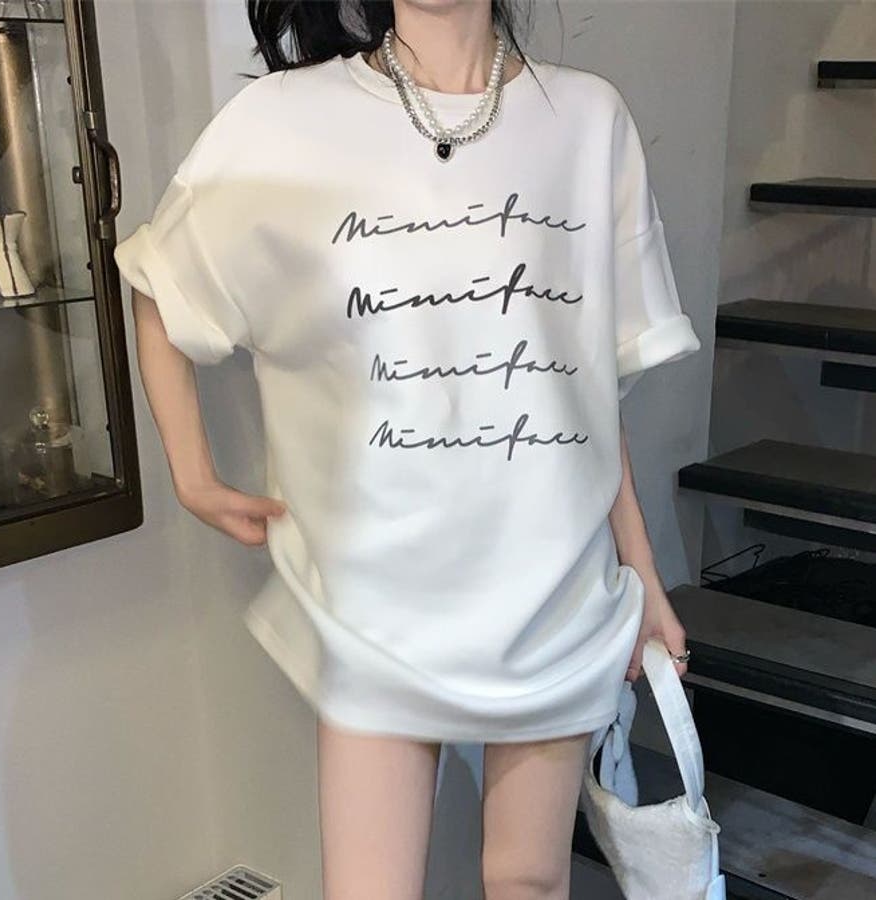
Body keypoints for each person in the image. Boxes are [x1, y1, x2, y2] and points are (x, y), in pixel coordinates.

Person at [113, 1, 701, 898]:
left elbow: (583, 383)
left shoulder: (588, 121)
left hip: (556, 592)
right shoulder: (287, 120)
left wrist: (644, 573)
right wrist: (192, 476)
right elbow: (162, 281)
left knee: (530, 880)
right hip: (377, 602)